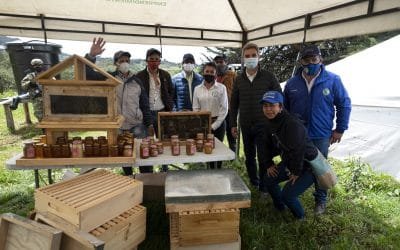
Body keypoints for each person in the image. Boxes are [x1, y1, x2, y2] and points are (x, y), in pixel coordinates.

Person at [284, 44, 351, 215]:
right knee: (297, 163)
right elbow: (284, 109)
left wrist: (340, 129)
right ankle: (291, 193)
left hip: (321, 134)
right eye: (307, 60)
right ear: (301, 62)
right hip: (298, 135)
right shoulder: (292, 83)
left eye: (314, 59)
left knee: (320, 168)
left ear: (320, 59)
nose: (311, 63)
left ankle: (320, 200)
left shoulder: (332, 80)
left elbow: (344, 104)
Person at [85, 37, 153, 176]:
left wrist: (150, 123)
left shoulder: (137, 81)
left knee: (142, 156)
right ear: (116, 63)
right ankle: (129, 181)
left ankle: (147, 182)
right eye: (121, 61)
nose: (125, 63)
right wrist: (91, 56)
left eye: (127, 61)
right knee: (124, 158)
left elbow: (145, 105)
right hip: (118, 125)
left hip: (137, 125)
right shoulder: (109, 78)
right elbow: (88, 74)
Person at [230, 42, 282, 193]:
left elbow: (279, 97)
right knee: (249, 156)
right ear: (243, 58)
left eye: (253, 55)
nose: (250, 58)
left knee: (263, 156)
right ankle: (254, 181)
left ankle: (264, 187)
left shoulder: (268, 77)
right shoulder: (239, 79)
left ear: (259, 57)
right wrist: (233, 124)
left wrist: (277, 119)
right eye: (247, 56)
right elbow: (234, 104)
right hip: (246, 124)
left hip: (264, 124)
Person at [261, 91, 318, 219]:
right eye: (265, 106)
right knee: (268, 179)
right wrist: (269, 164)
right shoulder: (269, 122)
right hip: (290, 162)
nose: (268, 109)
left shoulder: (292, 124)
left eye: (272, 105)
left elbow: (299, 150)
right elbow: (265, 145)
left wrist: (296, 172)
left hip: (308, 165)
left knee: (288, 195)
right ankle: (280, 207)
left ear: (280, 107)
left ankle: (300, 218)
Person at [136, 48, 174, 173]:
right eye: (151, 59)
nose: (154, 62)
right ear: (146, 61)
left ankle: (165, 168)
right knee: (146, 143)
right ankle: (147, 172)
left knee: (163, 142)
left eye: (156, 59)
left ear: (160, 62)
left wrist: (169, 108)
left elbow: (171, 93)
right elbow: (138, 97)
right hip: (146, 113)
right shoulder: (139, 76)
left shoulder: (165, 75)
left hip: (162, 113)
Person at [193, 62, 228, 169]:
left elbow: (224, 109)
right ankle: (209, 171)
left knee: (218, 149)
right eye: (207, 71)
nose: (209, 74)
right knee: (206, 149)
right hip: (203, 124)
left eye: (212, 72)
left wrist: (214, 125)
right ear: (203, 72)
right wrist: (202, 124)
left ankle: (219, 171)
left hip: (219, 123)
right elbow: (195, 108)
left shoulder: (222, 88)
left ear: (216, 74)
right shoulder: (197, 89)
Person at [214, 54, 237, 153]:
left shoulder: (232, 75)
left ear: (226, 63)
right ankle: (218, 153)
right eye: (217, 62)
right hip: (218, 111)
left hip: (231, 109)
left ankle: (233, 155)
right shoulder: (213, 76)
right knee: (218, 133)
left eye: (221, 62)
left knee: (231, 133)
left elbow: (237, 91)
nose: (219, 64)